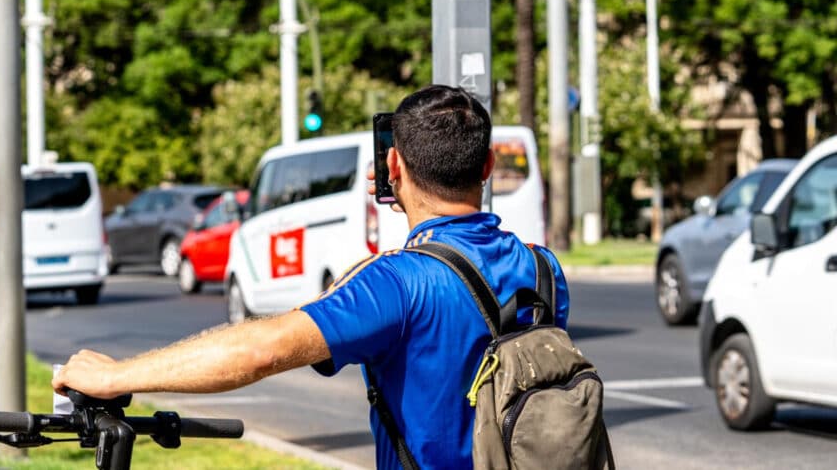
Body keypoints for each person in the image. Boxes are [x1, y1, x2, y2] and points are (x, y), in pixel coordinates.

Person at [53, 85, 569, 469]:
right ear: (487, 167)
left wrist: (117, 376)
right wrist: (414, 204)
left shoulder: (395, 283)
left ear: (393, 164)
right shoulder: (545, 270)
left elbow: (263, 350)